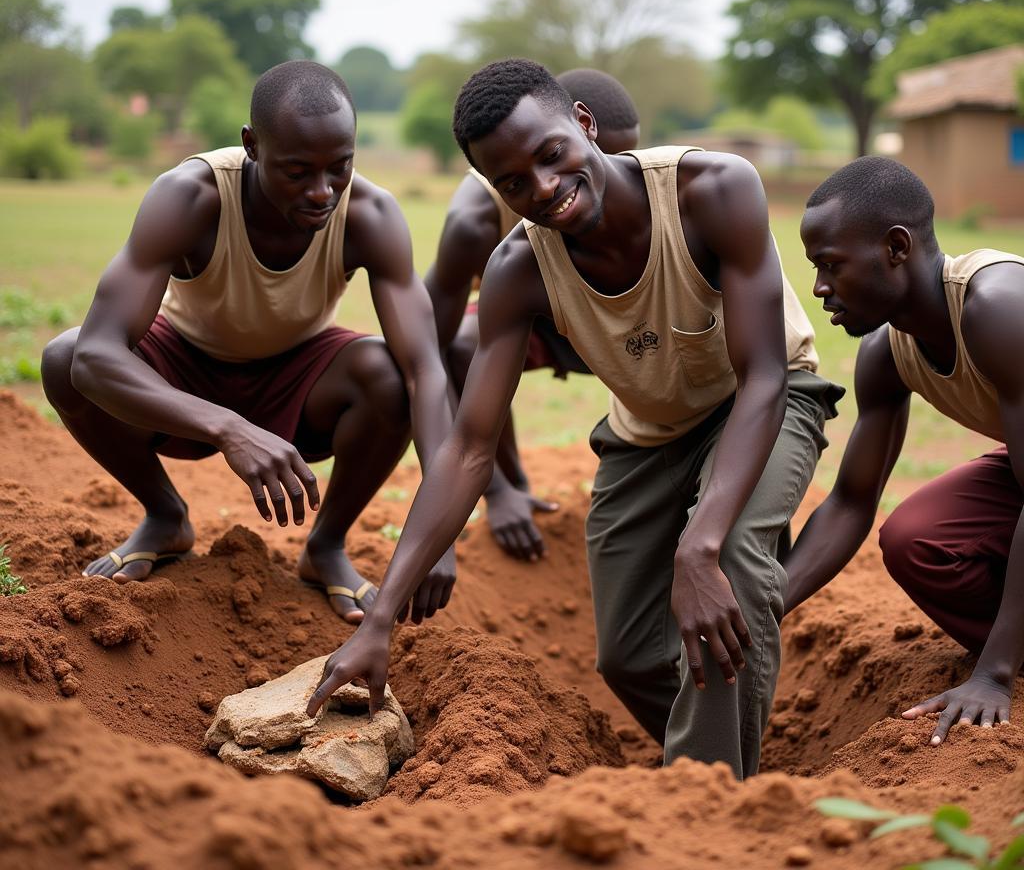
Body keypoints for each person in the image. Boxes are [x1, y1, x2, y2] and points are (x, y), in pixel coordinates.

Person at [307, 58, 842, 779]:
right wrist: (380, 619)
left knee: (733, 563)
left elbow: (766, 377)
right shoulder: (518, 268)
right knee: (625, 653)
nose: (545, 189)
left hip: (765, 401)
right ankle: (725, 758)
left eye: (552, 155)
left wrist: (698, 543)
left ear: (585, 126)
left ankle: (706, 803)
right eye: (515, 183)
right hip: (650, 428)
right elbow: (469, 446)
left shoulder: (712, 191)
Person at [41, 60, 455, 625]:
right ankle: (165, 516)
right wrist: (228, 427)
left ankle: (326, 546)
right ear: (252, 146)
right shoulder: (191, 196)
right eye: (297, 171)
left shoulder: (369, 213)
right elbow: (94, 356)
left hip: (298, 379)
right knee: (64, 358)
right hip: (182, 365)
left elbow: (425, 370)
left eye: (340, 167)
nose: (321, 191)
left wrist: (443, 522)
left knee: (387, 373)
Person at [786, 155, 1024, 745]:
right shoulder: (887, 353)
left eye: (831, 266)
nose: (818, 287)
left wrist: (992, 675)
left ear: (896, 246)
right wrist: (765, 606)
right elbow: (850, 502)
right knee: (918, 537)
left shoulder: (996, 309)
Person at [424, 68, 639, 560]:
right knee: (462, 342)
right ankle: (515, 486)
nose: (616, 170)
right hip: (543, 324)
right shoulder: (477, 221)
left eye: (625, 157)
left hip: (633, 320)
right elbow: (428, 347)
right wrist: (495, 489)